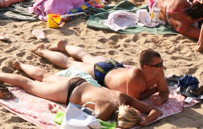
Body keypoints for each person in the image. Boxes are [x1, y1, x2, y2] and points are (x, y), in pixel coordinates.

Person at [0, 61, 161, 125]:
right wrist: (55, 112)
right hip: (68, 93)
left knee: (45, 75)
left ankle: (19, 64)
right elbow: (76, 118)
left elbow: (155, 111)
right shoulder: (104, 113)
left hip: (80, 82)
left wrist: (145, 118)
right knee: (29, 85)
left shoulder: (122, 98)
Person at [30, 42, 169, 103]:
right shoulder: (135, 77)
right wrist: (154, 90)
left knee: (87, 57)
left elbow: (164, 92)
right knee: (69, 64)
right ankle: (41, 50)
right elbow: (135, 99)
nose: (162, 67)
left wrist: (161, 97)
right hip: (102, 73)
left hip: (113, 67)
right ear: (146, 67)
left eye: (161, 63)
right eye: (158, 64)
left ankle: (64, 45)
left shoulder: (158, 73)